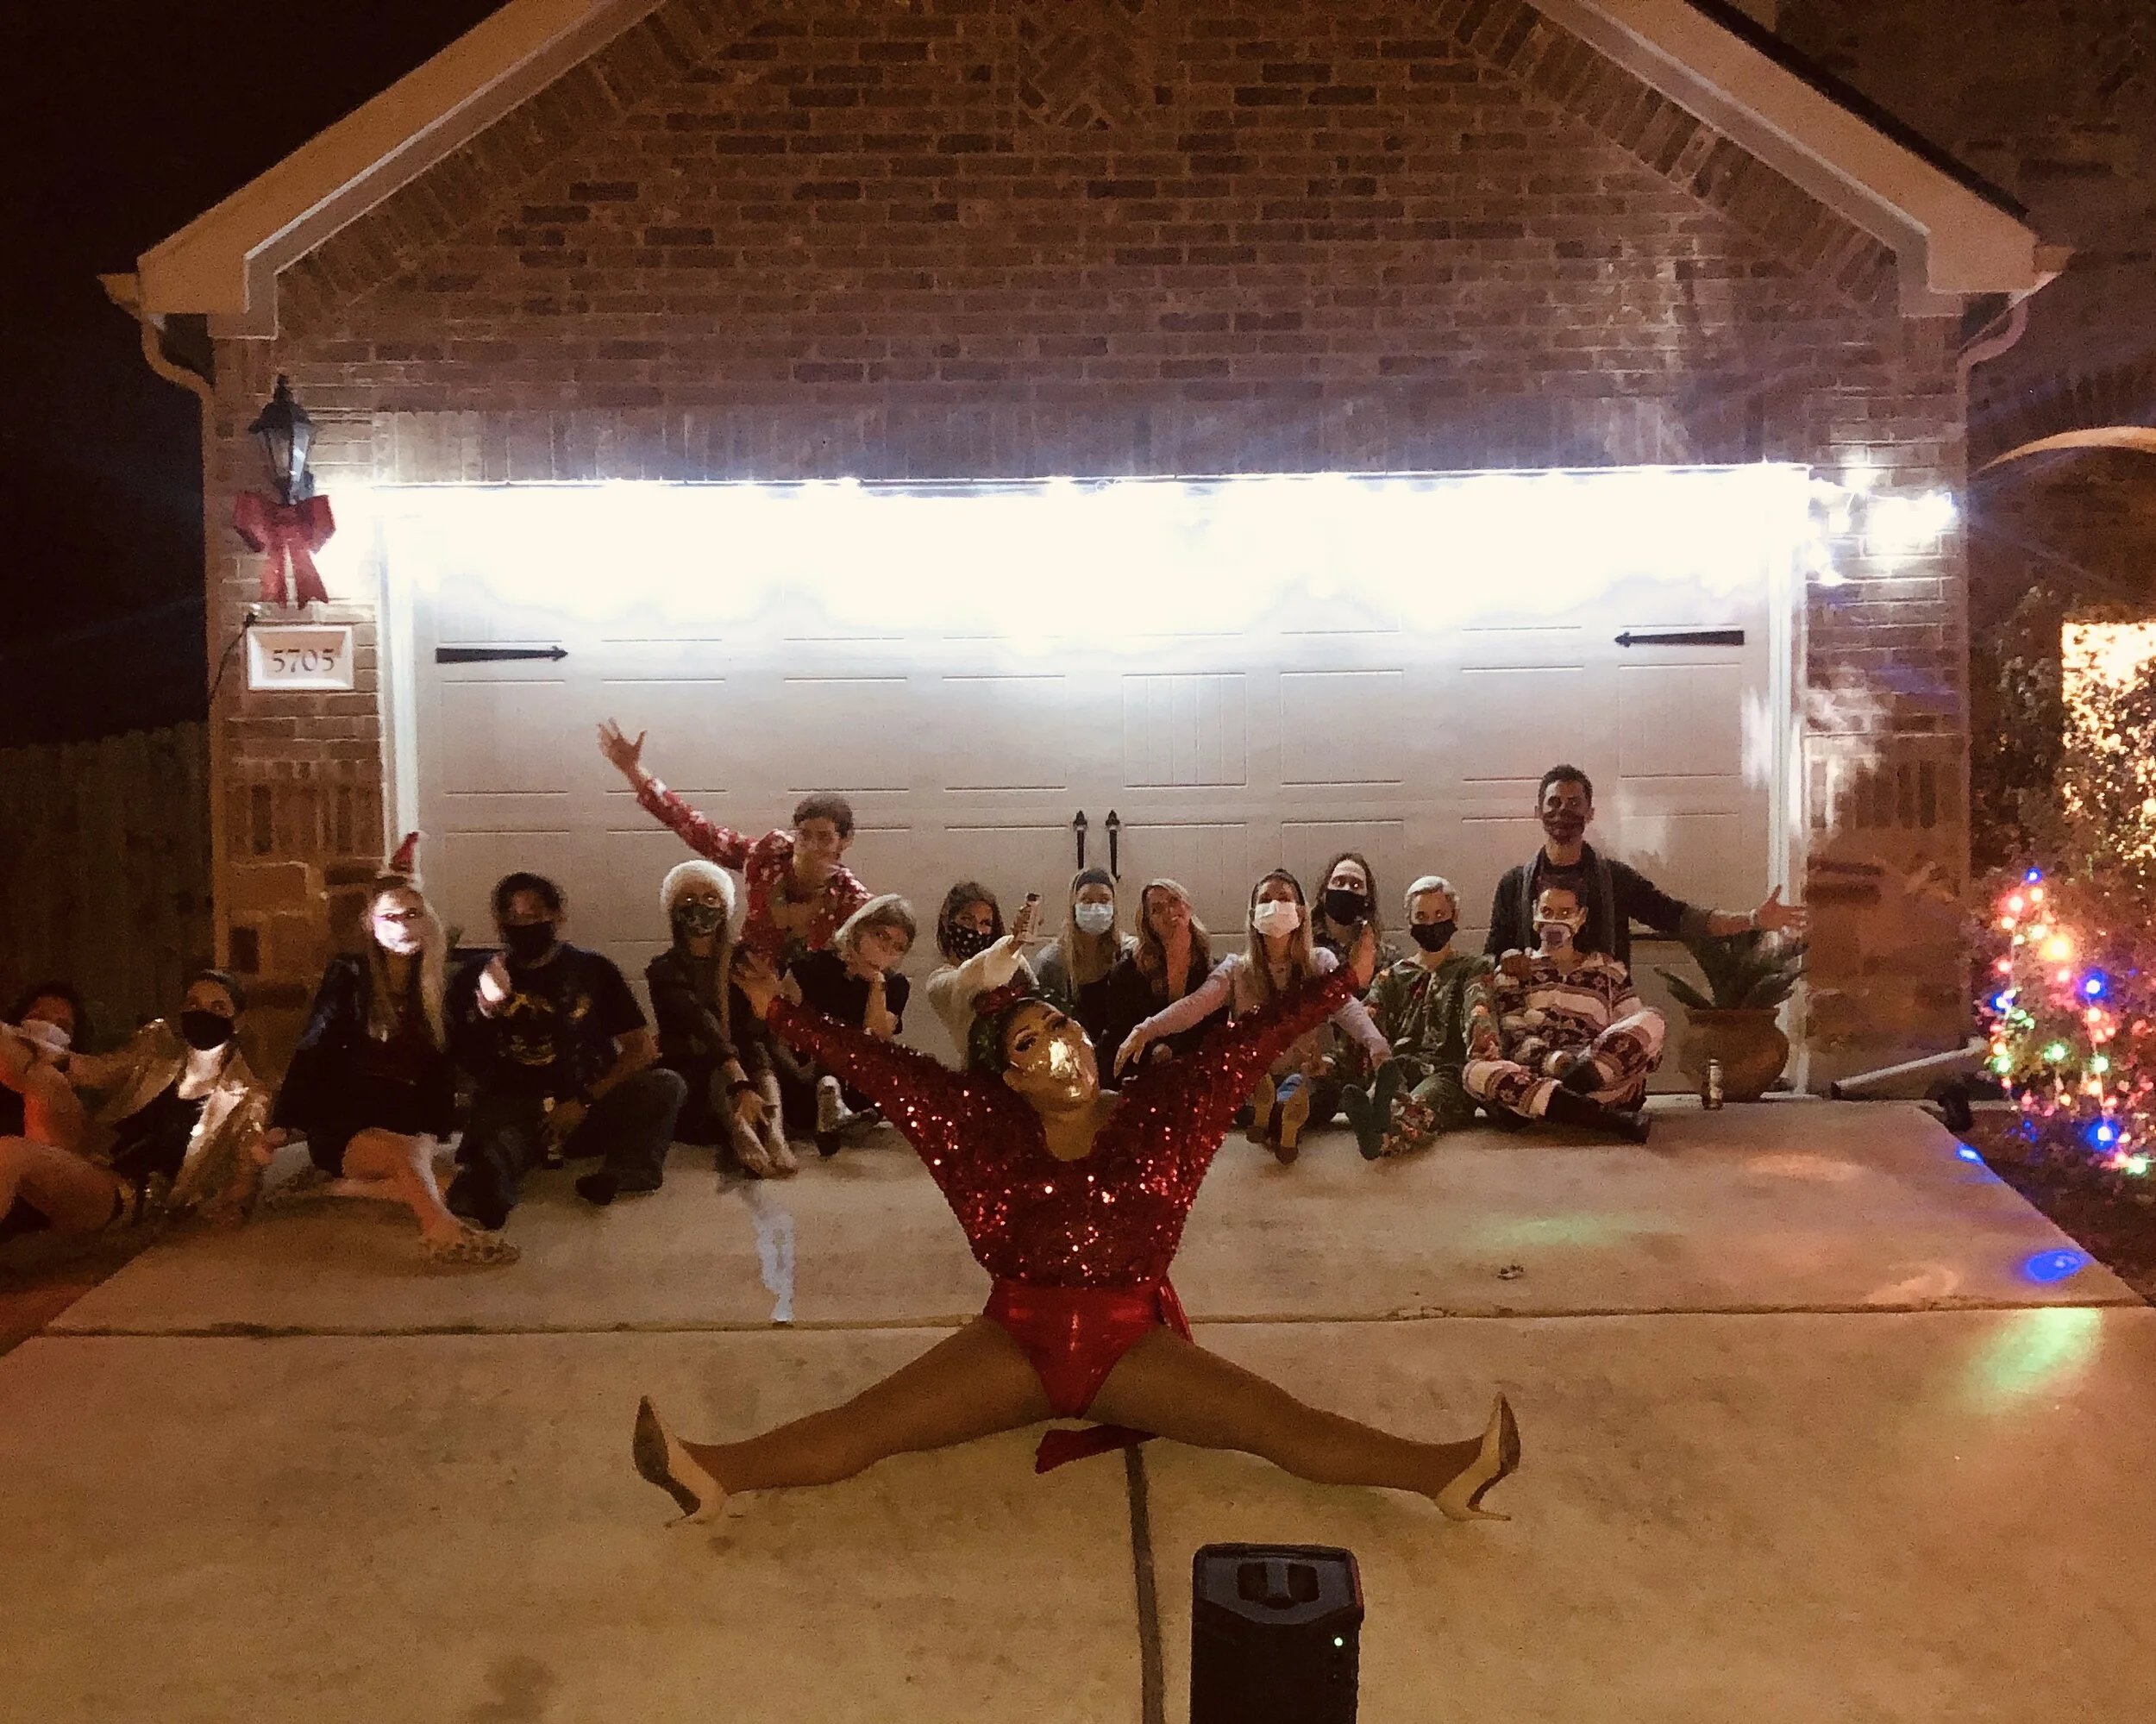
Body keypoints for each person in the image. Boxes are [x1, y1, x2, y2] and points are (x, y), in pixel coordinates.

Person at [630, 958, 1520, 1527]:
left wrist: (1335, 986)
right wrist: (783, 1013)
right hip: (1011, 1343)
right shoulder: (976, 1133)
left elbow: (1245, 1044)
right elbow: (889, 1075)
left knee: (1285, 1429)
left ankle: (1445, 1471)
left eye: (1061, 1024)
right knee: (862, 1430)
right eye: (1032, 1041)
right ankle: (708, 1471)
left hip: (1129, 1345)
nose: (1061, 1043)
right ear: (1008, 1077)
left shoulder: (1166, 1114)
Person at [274, 836, 519, 1263]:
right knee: (411, 1166)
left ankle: (343, 1189)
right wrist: (284, 1122)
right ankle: (440, 1230)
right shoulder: (349, 975)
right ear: (371, 924)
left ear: (428, 920)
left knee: (465, 1185)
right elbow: (316, 1044)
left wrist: (487, 1007)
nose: (404, 925)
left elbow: (476, 1061)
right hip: (349, 1124)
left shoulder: (447, 981)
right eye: (391, 917)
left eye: (413, 914)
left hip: (413, 1122)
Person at [446, 871, 686, 1226]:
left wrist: (584, 1100)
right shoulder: (476, 976)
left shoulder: (594, 970)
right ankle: (490, 1187)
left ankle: (624, 1173)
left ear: (558, 916)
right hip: (516, 1106)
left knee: (666, 1085)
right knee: (494, 1149)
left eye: (534, 916)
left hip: (588, 1100)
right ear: (500, 923)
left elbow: (642, 1049)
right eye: (513, 918)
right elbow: (465, 1061)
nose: (523, 925)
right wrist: (488, 1009)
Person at [1113, 870, 1390, 1163]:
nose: (1274, 906)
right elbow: (1196, 1005)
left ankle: (1273, 1116)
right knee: (1237, 1092)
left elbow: (1346, 1007)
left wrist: (1375, 1043)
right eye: (1265, 899)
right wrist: (1147, 1029)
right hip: (1256, 1077)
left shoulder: (1320, 963)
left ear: (1300, 911)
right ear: (1253, 913)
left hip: (1309, 1072)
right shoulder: (1235, 969)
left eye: (1284, 898)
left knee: (1321, 1092)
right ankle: (1280, 1118)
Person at [598, 718, 870, 967]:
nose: (811, 846)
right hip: (742, 983)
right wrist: (633, 770)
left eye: (824, 838)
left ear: (845, 841)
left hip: (805, 1008)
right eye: (804, 835)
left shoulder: (854, 901)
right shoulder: (769, 856)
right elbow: (698, 830)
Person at [1485, 764, 1808, 966]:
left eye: (1574, 803)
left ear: (1590, 813)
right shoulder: (1514, 885)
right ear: (1538, 812)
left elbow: (1678, 917)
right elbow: (1494, 957)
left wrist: (1752, 920)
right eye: (1553, 803)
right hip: (1532, 1019)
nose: (1563, 811)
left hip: (1604, 1019)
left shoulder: (1616, 879)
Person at [54, 969, 273, 1228]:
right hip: (93, 1160)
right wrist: (40, 1052)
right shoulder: (157, 1052)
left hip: (133, 1195)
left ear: (237, 1021)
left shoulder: (249, 1097)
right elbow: (99, 1070)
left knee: (16, 1155)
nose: (202, 1014)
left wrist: (234, 1207)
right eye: (193, 1004)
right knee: (43, 1084)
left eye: (218, 1007)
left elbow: (245, 1174)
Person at [1463, 883, 1664, 1142]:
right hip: (1535, 1072)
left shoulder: (1609, 971)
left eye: (1565, 912)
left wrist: (1587, 1065)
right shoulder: (1515, 969)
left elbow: (1636, 1039)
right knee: (1473, 1071)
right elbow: (1514, 1036)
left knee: (1653, 1019)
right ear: (1534, 914)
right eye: (1547, 910)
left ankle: (1546, 1105)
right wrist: (1553, 1061)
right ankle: (1611, 1121)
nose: (1554, 920)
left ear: (1581, 917)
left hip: (1597, 1075)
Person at [645, 859, 796, 1180]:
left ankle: (775, 1133)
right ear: (673, 910)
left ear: (724, 908)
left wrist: (764, 1004)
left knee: (755, 1048)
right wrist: (739, 1081)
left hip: (750, 1066)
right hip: (695, 1074)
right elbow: (700, 1023)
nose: (700, 907)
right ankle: (740, 1132)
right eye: (688, 899)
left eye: (710, 898)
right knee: (715, 1060)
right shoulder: (664, 968)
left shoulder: (742, 960)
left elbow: (754, 1029)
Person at [1344, 876, 1491, 1159]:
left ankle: (1383, 1138)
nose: (1431, 924)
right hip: (1399, 1066)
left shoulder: (1471, 968)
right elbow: (1367, 1022)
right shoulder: (1392, 977)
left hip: (1446, 1071)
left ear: (1455, 917)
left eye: (1439, 915)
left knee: (1424, 1101)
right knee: (1382, 1090)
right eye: (1421, 916)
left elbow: (1479, 1010)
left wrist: (1484, 1050)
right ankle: (1374, 1117)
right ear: (1410, 921)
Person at [785, 893, 918, 1155]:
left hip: (856, 1081)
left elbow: (877, 1038)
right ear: (859, 929)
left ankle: (835, 1107)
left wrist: (876, 984)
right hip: (803, 1077)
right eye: (881, 936)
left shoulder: (894, 985)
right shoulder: (813, 966)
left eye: (898, 946)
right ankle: (829, 1095)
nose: (887, 949)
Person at [0, 983, 130, 1242]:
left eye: (62, 1025)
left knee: (11, 1153)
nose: (46, 1026)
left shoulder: (75, 1085)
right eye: (37, 1016)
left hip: (69, 1195)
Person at [1096, 878, 1223, 1080]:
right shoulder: (1128, 970)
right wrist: (1152, 1052)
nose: (1169, 911)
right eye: (1157, 909)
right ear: (1148, 923)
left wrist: (1175, 1051)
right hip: (1140, 1073)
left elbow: (1215, 1033)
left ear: (1187, 906)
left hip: (1196, 1074)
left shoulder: (1211, 969)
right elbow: (1118, 1033)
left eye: (1174, 901)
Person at [924, 883, 1041, 1059]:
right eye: (967, 919)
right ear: (948, 923)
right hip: (980, 1078)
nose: (976, 930)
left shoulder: (1015, 961)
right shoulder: (939, 983)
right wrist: (1011, 945)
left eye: (985, 923)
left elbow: (1039, 1002)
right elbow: (973, 977)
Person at [1031, 868, 1136, 1047]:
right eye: (1086, 900)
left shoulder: (1129, 954)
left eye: (1104, 900)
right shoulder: (1051, 962)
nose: (1096, 907)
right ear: (1074, 905)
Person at [1312, 851, 1399, 984]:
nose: (1346, 889)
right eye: (1339, 882)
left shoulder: (1386, 957)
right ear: (1324, 893)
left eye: (1356, 885)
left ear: (1367, 900)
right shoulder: (1303, 948)